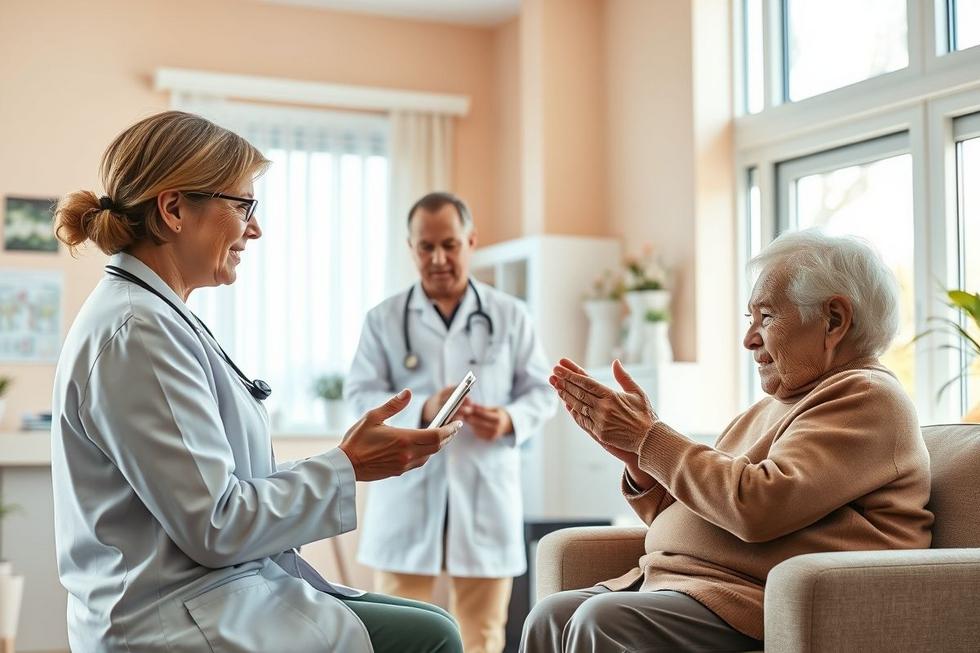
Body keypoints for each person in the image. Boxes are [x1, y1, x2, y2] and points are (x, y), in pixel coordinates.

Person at [50, 111, 465, 653]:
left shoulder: (157, 316)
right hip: (170, 619)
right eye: (243, 206)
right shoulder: (139, 334)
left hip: (207, 591)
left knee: (428, 621)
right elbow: (217, 523)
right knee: (431, 636)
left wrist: (345, 460)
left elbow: (221, 485)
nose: (255, 228)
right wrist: (349, 465)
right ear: (174, 209)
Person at [522, 229, 934, 652]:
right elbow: (701, 509)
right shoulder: (771, 406)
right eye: (749, 320)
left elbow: (757, 507)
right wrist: (638, 460)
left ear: (834, 320)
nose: (749, 339)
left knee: (601, 621)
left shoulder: (866, 397)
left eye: (767, 317)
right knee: (549, 615)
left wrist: (650, 437)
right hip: (691, 587)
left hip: (751, 599)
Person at [346, 192, 557, 653]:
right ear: (411, 248)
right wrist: (423, 407)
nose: (438, 258)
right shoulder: (383, 320)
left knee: (481, 636)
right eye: (426, 247)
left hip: (484, 492)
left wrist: (508, 419)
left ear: (471, 242)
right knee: (396, 636)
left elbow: (542, 392)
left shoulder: (510, 315)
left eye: (450, 244)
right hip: (406, 496)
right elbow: (359, 396)